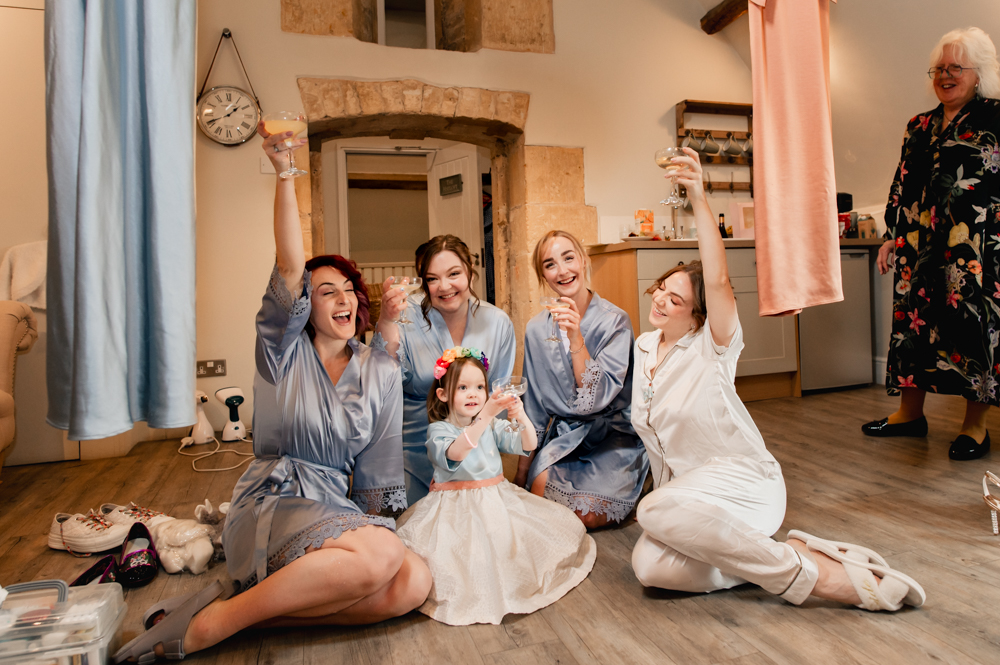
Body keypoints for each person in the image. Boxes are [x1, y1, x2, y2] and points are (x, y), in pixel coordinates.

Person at [114, 123, 430, 663]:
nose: (344, 298)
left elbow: (378, 466)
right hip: (274, 500)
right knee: (380, 557)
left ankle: (237, 615)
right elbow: (289, 266)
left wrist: (366, 536)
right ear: (304, 311)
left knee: (413, 582)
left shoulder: (374, 367)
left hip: (330, 504)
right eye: (326, 291)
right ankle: (209, 627)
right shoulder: (281, 351)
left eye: (350, 290)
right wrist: (286, 172)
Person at [628, 147, 926, 612]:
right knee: (649, 568)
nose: (662, 301)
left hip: (745, 487)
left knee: (652, 509)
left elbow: (721, 280)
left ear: (699, 315)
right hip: (692, 505)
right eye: (660, 291)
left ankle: (823, 580)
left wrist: (698, 197)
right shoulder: (643, 347)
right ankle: (798, 552)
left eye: (677, 299)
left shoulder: (713, 348)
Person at [864, 27, 1000, 461]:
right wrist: (892, 236)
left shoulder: (995, 118)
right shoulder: (918, 126)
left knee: (971, 327)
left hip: (975, 245)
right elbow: (902, 185)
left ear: (979, 74)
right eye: (939, 68)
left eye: (955, 67)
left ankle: (975, 427)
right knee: (911, 328)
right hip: (919, 245)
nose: (945, 75)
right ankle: (909, 414)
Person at [396, 349, 596, 625]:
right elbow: (456, 452)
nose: (473, 394)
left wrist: (520, 415)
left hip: (496, 498)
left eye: (480, 387)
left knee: (510, 549)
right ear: (443, 394)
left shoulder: (490, 425)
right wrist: (486, 416)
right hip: (455, 508)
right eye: (463, 387)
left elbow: (528, 444)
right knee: (465, 559)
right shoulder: (439, 430)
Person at [515, 230, 648, 528]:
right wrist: (520, 477)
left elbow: (594, 397)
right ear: (543, 276)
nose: (562, 270)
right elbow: (533, 407)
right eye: (549, 264)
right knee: (538, 498)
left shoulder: (615, 321)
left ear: (584, 260)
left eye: (568, 258)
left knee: (582, 516)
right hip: (564, 438)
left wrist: (576, 337)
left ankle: (639, 476)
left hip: (612, 437)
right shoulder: (536, 329)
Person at [377, 235, 516, 504]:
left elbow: (497, 392)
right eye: (432, 279)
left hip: (473, 451)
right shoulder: (406, 316)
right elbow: (383, 377)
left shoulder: (497, 322)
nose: (444, 286)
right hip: (413, 447)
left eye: (454, 274)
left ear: (470, 274)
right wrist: (386, 319)